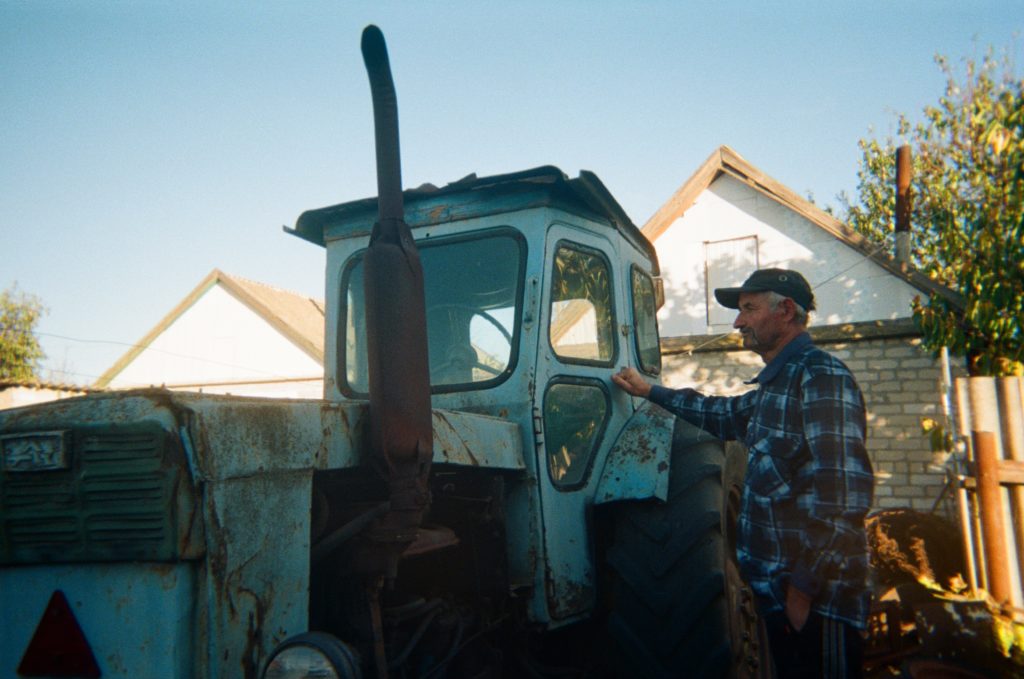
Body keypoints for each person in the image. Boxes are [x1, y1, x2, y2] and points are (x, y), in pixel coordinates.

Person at [611, 268, 874, 678]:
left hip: (819, 604)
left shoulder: (820, 376)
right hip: (782, 599)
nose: (737, 322)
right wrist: (651, 391)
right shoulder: (775, 385)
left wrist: (802, 592)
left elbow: (843, 497)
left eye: (748, 309)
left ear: (786, 310)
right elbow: (720, 413)